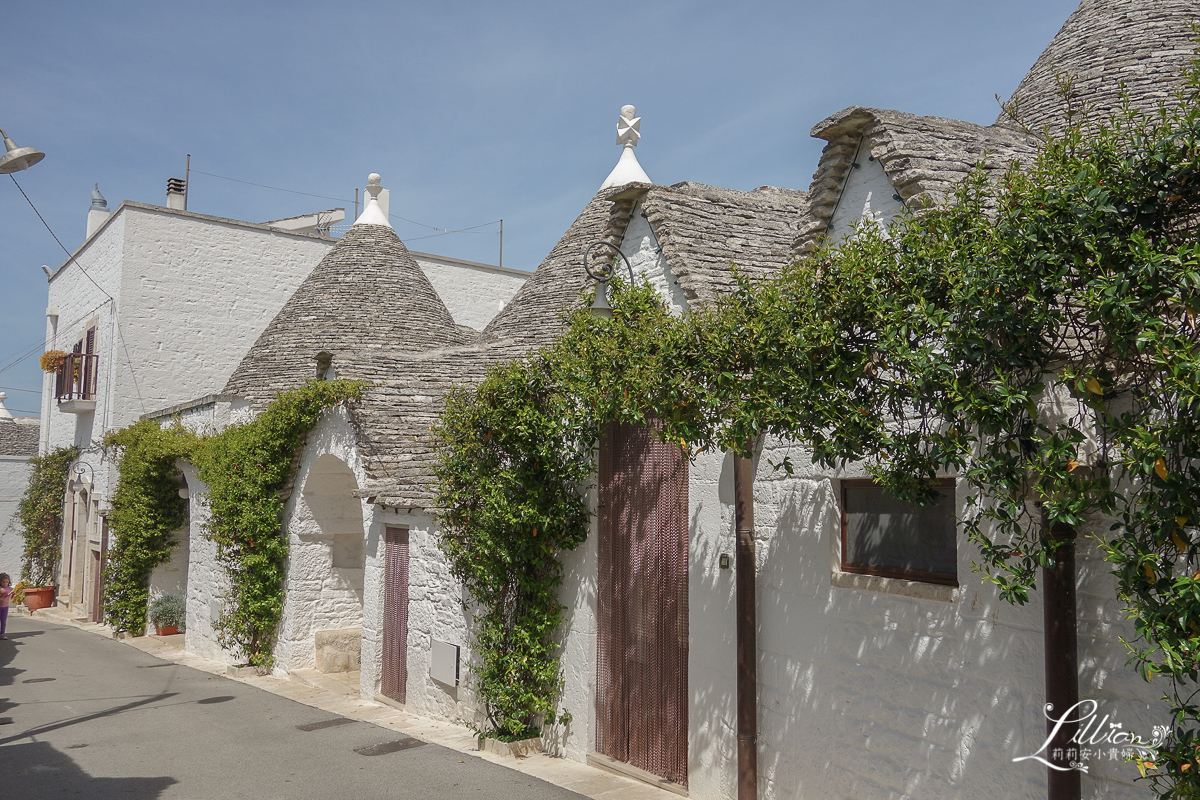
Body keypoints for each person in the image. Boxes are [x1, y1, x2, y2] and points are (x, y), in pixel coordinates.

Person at [0, 573, 13, 639]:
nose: (5, 583)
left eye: (7, 582)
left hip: (5, 607)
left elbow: (12, 595)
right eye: (3, 582)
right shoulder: (0, 589)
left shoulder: (10, 589)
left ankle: (2, 634)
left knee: (3, 621)